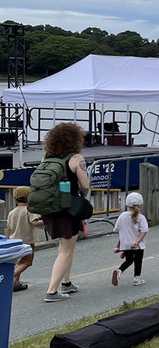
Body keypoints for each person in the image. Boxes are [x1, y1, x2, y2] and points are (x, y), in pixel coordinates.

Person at [40, 122, 90, 302]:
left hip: (50, 207)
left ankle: (66, 282)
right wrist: (82, 198)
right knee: (66, 250)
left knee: (65, 246)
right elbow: (85, 186)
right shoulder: (77, 159)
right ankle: (52, 291)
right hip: (68, 208)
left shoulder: (47, 158)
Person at [5, 186, 40, 291]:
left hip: (14, 241)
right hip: (28, 240)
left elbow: (9, 228)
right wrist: (47, 221)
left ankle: (15, 283)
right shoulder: (29, 210)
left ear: (15, 199)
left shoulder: (12, 212)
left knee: (20, 261)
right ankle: (10, 277)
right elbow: (34, 223)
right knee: (27, 262)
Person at [111, 191, 149, 286]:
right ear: (140, 205)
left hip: (125, 244)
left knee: (129, 260)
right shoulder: (141, 217)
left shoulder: (122, 216)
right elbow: (143, 232)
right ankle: (137, 279)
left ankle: (119, 271)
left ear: (127, 204)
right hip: (138, 245)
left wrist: (118, 246)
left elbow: (119, 230)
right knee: (138, 261)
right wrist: (137, 242)